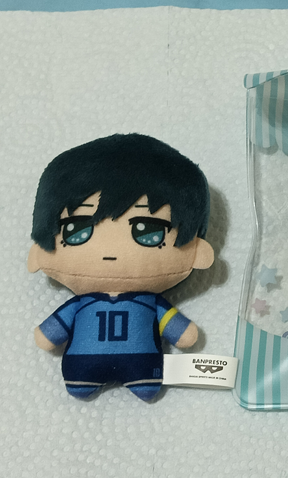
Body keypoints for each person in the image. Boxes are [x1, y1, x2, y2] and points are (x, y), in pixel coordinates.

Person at [28, 134, 214, 401]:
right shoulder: (82, 305)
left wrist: (182, 333)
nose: (110, 252)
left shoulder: (149, 304)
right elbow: (49, 335)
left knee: (145, 384)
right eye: (76, 230)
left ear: (198, 252)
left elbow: (183, 334)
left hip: (142, 367)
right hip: (85, 365)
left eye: (148, 231)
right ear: (38, 252)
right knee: (82, 384)